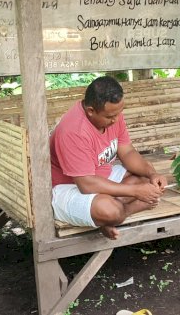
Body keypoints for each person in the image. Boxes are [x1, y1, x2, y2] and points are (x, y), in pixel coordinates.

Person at [50, 76, 167, 240]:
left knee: (145, 182)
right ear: (91, 111)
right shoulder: (73, 130)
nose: (116, 119)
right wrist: (135, 192)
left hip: (100, 176)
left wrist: (152, 174)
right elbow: (86, 184)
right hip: (67, 187)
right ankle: (114, 216)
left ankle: (106, 215)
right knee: (110, 210)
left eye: (119, 113)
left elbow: (127, 152)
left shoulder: (113, 113)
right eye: (110, 116)